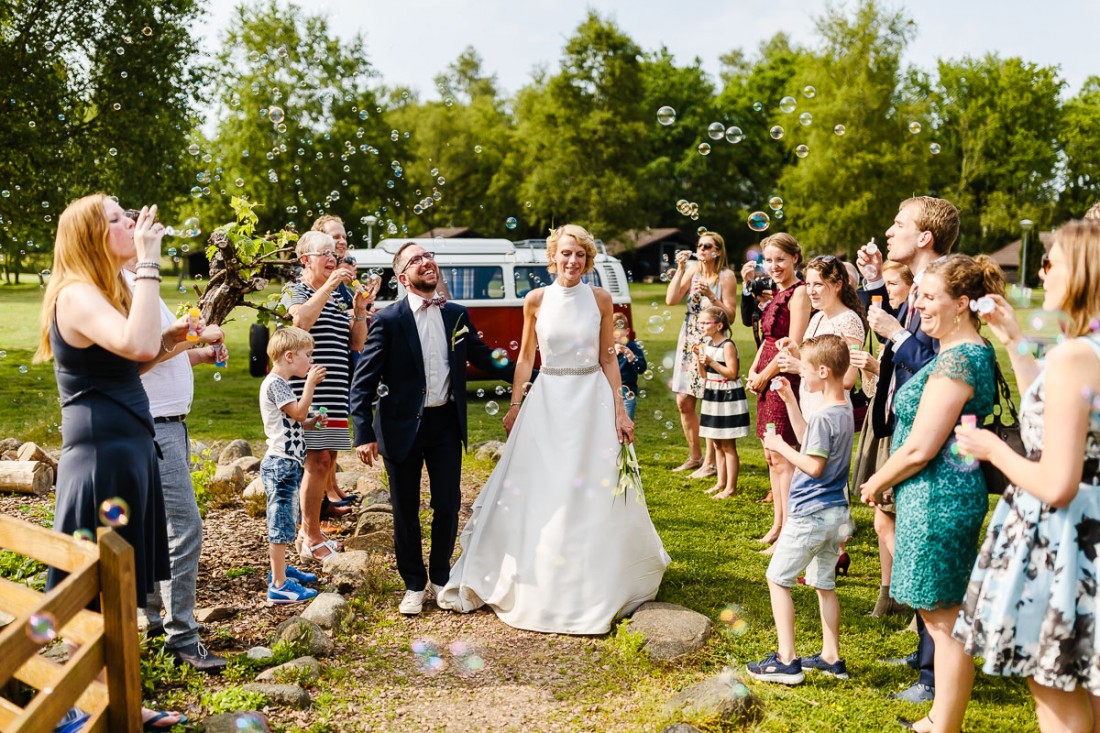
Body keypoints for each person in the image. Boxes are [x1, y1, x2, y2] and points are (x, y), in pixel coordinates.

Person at [436, 224, 670, 633]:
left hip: (591, 398)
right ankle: (538, 572)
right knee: (543, 484)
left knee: (591, 487)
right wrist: (514, 405)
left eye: (580, 255)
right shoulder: (535, 300)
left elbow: (608, 358)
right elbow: (526, 358)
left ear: (588, 260)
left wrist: (620, 409)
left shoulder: (600, 298)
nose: (572, 261)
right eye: (565, 254)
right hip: (548, 398)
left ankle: (596, 576)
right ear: (553, 257)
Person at [34, 194, 184, 730]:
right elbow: (135, 342)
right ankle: (81, 705)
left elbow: (126, 366)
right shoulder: (75, 295)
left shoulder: (97, 291)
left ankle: (114, 703)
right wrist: (148, 261)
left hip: (124, 450)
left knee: (116, 588)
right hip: (102, 460)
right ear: (93, 238)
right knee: (95, 590)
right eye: (119, 219)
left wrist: (176, 342)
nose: (135, 223)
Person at [953, 219, 1100, 733]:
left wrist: (991, 447)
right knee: (1083, 682)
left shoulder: (1077, 355)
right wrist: (1016, 340)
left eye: (1049, 261)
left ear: (1080, 273)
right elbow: (1050, 421)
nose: (1041, 271)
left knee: (1056, 689)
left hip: (1065, 540)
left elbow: (1057, 480)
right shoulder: (1086, 351)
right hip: (1085, 531)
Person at [860, 254, 1004, 733]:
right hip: (932, 494)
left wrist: (879, 480)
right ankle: (938, 719)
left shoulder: (961, 358)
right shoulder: (956, 352)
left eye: (928, 296)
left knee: (944, 623)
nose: (918, 304)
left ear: (962, 303)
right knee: (941, 616)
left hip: (939, 496)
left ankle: (945, 726)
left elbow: (922, 445)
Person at [349, 241, 516, 616]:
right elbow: (363, 381)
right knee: (405, 509)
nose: (426, 262)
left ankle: (440, 576)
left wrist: (534, 374)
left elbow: (485, 357)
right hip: (398, 426)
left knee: (448, 503)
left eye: (429, 256)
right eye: (416, 259)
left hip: (444, 423)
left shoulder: (455, 314)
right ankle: (412, 583)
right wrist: (363, 433)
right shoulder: (388, 320)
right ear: (403, 276)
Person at [855, 196, 961, 704]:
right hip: (904, 421)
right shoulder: (919, 283)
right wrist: (877, 284)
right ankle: (924, 653)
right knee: (907, 537)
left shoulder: (944, 287)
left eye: (899, 223)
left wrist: (896, 333)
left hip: (931, 434)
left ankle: (933, 675)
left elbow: (938, 361)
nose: (889, 229)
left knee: (924, 548)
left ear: (924, 238)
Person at [121, 257, 228, 673]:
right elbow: (140, 355)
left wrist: (198, 353)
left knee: (153, 526)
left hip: (170, 424)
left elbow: (161, 352)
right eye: (133, 226)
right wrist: (187, 337)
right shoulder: (125, 287)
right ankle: (181, 636)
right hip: (154, 424)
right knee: (184, 528)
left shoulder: (142, 286)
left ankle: (152, 621)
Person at [748, 334, 855, 685]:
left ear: (823, 371)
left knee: (777, 579)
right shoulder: (840, 409)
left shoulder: (826, 416)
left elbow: (813, 465)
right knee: (824, 584)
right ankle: (831, 657)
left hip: (811, 513)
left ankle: (787, 660)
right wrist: (791, 400)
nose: (801, 375)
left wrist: (779, 445)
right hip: (835, 513)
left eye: (805, 371)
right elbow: (812, 439)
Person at [288, 230, 371, 561]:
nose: (332, 260)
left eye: (334, 255)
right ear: (305, 260)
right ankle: (308, 536)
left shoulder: (338, 296)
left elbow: (356, 344)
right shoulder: (296, 290)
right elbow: (300, 321)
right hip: (310, 390)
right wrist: (330, 285)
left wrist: (360, 310)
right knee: (316, 460)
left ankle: (312, 532)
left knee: (323, 462)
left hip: (335, 390)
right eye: (324, 254)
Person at [850, 259, 913, 619]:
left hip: (897, 422)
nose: (887, 292)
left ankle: (907, 596)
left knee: (889, 514)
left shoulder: (912, 327)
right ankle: (888, 593)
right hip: (882, 415)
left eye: (892, 284)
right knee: (881, 516)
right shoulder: (896, 321)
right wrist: (873, 278)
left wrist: (875, 367)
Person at [746, 233, 810, 548]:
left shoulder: (799, 294)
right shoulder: (776, 291)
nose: (773, 266)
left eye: (780, 260)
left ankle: (788, 531)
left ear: (795, 258)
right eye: (769, 260)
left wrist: (765, 376)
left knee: (784, 455)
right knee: (771, 454)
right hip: (766, 375)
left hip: (784, 380)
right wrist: (753, 369)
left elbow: (792, 346)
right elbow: (768, 338)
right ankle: (777, 523)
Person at [311, 214, 377, 507]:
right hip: (319, 365)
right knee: (320, 442)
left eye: (344, 236)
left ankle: (333, 485)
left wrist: (362, 311)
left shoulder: (345, 280)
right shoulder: (321, 279)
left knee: (337, 430)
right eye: (334, 236)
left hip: (344, 358)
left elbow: (351, 327)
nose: (341, 241)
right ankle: (324, 492)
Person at [259, 327, 325, 605]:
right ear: (289, 356)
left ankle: (282, 570)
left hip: (286, 463)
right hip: (280, 464)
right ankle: (279, 585)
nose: (310, 362)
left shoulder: (278, 383)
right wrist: (310, 384)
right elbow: (296, 411)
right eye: (307, 356)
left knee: (286, 520)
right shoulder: (275, 383)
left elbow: (295, 419)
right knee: (281, 524)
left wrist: (309, 422)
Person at [665, 231, 738, 478]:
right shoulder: (692, 271)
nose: (702, 250)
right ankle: (694, 456)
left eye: (708, 246)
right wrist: (680, 267)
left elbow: (730, 317)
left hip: (712, 340)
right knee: (684, 401)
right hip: (689, 339)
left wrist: (711, 296)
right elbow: (671, 299)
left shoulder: (726, 276)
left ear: (717, 250)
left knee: (708, 400)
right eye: (699, 246)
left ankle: (710, 462)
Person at [695, 306, 750, 498]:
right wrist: (699, 360)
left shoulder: (727, 345)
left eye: (705, 322)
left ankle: (731, 488)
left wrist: (710, 361)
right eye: (699, 322)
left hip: (727, 396)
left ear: (719, 325)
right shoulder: (707, 344)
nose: (700, 326)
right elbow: (703, 375)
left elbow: (732, 374)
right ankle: (720, 483)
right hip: (712, 394)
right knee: (716, 443)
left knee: (728, 445)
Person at [613, 313, 646, 421]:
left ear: (627, 332)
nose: (614, 336)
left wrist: (628, 353)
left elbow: (641, 368)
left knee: (626, 425)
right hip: (609, 393)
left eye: (617, 333)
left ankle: (625, 438)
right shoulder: (607, 348)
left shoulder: (633, 347)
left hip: (627, 395)